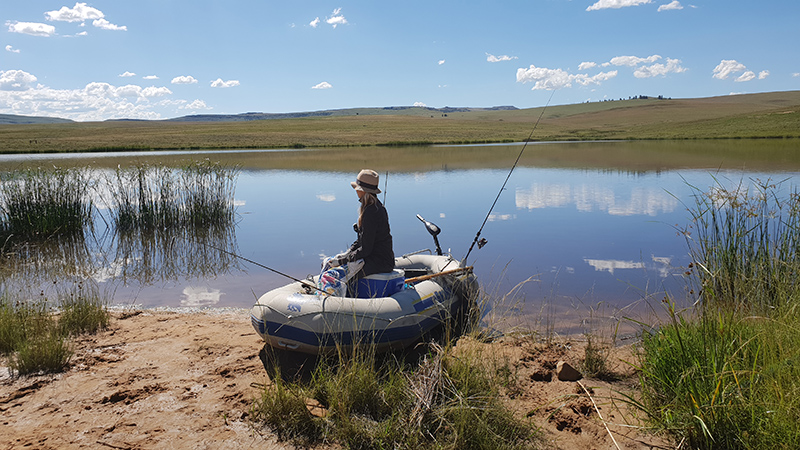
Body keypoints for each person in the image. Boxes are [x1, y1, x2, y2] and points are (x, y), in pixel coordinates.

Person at [328, 169, 394, 280]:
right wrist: (347, 253)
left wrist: (341, 261)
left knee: (342, 277)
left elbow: (365, 249)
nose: (355, 191)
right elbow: (362, 241)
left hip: (380, 262)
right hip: (379, 258)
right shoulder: (374, 207)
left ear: (362, 191)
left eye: (356, 189)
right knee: (341, 268)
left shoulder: (371, 212)